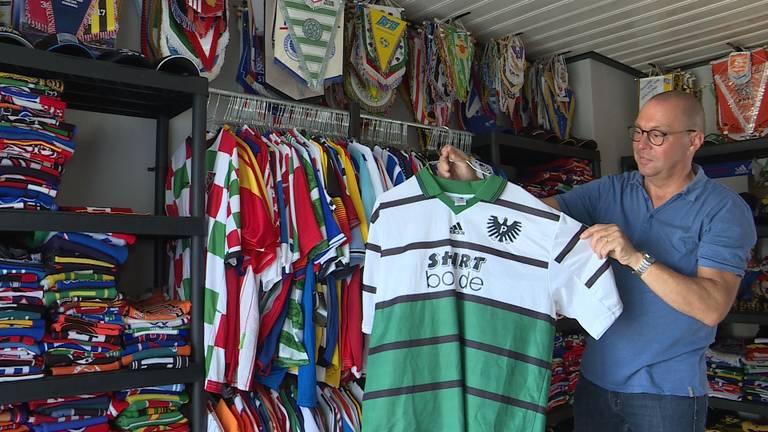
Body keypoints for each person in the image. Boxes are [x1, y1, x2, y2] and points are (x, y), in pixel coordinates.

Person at [437, 91, 756, 432]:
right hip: (597, 381)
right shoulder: (613, 190)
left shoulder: (724, 210)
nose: (642, 144)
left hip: (667, 392)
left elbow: (712, 306)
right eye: (637, 131)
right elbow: (535, 213)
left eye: (657, 134)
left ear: (693, 141)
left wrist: (635, 258)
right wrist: (478, 181)